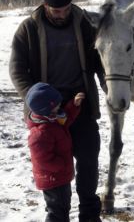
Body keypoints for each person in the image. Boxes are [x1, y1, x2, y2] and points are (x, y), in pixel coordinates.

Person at [9, 0, 105, 222]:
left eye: (65, 9)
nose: (61, 14)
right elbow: (17, 70)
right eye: (55, 10)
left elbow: (100, 61)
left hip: (80, 105)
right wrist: (35, 99)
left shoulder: (84, 24)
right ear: (45, 5)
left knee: (88, 158)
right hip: (46, 112)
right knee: (52, 170)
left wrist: (108, 85)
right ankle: (57, 215)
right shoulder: (28, 28)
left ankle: (90, 214)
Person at [26, 82, 85, 222]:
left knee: (62, 208)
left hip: (60, 177)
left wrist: (74, 105)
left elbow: (67, 118)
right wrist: (62, 165)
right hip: (52, 179)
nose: (60, 106)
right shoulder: (40, 133)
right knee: (57, 213)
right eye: (57, 104)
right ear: (47, 108)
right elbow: (42, 159)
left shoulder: (52, 119)